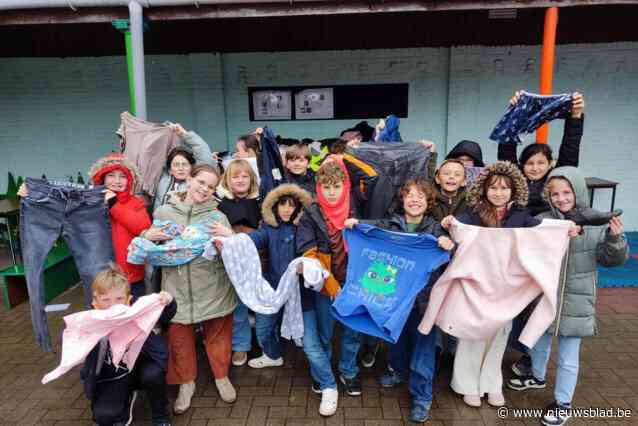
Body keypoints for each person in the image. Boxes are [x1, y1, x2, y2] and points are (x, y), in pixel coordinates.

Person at [440, 161, 578, 408]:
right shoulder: (471, 214)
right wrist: (450, 222)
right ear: (484, 189)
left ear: (514, 191)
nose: (499, 192)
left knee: (499, 337)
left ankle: (491, 383)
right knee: (473, 335)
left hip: (507, 289)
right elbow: (458, 231)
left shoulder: (521, 216)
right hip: (476, 286)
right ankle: (467, 384)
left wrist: (564, 228)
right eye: (493, 187)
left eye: (505, 188)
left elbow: (543, 230)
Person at [507, 166, 628, 426]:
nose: (561, 198)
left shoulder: (596, 224)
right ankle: (537, 376)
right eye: (555, 194)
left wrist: (616, 239)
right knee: (538, 341)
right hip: (545, 298)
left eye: (567, 192)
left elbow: (610, 260)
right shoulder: (542, 221)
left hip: (577, 301)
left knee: (567, 357)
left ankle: (563, 403)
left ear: (578, 192)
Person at [344, 179, 455, 423]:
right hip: (393, 301)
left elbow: (453, 254)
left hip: (423, 302)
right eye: (410, 195)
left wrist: (449, 245)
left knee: (423, 351)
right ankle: (398, 372)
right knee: (396, 342)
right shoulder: (391, 223)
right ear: (402, 200)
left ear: (428, 203)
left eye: (420, 197)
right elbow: (373, 230)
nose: (414, 200)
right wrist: (357, 224)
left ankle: (422, 397)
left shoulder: (435, 229)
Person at [498, 91, 585, 376]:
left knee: (540, 304)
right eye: (529, 163)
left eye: (540, 163)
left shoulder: (555, 184)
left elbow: (570, 149)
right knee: (516, 303)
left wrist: (575, 118)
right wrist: (512, 113)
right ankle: (517, 348)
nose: (534, 167)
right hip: (517, 254)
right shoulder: (516, 182)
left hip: (547, 257)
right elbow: (507, 149)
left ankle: (529, 357)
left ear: (550, 165)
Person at [149, 164, 238, 413]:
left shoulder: (217, 216)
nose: (204, 189)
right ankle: (186, 383)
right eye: (201, 182)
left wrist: (229, 237)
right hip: (176, 289)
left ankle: (222, 377)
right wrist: (148, 238)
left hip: (213, 287)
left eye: (211, 187)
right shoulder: (165, 212)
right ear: (189, 179)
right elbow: (152, 249)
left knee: (218, 336)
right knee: (179, 340)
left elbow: (230, 256)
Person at [212, 184, 313, 369]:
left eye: (292, 205)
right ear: (274, 206)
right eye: (283, 204)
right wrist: (230, 235)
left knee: (304, 333)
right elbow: (250, 240)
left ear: (299, 207)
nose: (287, 209)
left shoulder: (305, 229)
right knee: (263, 329)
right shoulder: (269, 229)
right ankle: (273, 355)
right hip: (272, 288)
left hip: (300, 291)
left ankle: (297, 352)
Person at [296, 159, 360, 416]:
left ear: (345, 186)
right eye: (326, 187)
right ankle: (322, 373)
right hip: (325, 284)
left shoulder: (357, 208)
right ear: (318, 188)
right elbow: (307, 251)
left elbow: (374, 177)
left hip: (354, 281)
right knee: (325, 332)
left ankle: (348, 371)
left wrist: (345, 157)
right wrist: (331, 285)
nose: (332, 192)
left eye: (336, 186)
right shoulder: (311, 213)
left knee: (352, 331)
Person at [81, 263, 176, 426]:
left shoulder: (137, 307)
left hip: (143, 365)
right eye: (106, 300)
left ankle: (161, 416)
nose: (114, 305)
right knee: (104, 417)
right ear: (95, 303)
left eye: (119, 299)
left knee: (153, 375)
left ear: (128, 299)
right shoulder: (89, 321)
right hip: (113, 374)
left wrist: (168, 300)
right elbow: (74, 348)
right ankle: (123, 401)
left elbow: (165, 315)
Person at [216, 159, 262, 367]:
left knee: (262, 307)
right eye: (235, 176)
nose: (241, 180)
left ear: (251, 178)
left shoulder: (262, 202)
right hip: (232, 264)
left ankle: (266, 346)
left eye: (245, 176)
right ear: (228, 180)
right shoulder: (220, 205)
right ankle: (241, 346)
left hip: (258, 262)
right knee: (239, 309)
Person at [88, 153, 152, 298]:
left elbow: (142, 227)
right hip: (100, 276)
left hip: (131, 276)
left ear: (129, 180)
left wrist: (114, 204)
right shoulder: (90, 203)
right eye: (111, 175)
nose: (117, 181)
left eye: (122, 176)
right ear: (102, 177)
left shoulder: (136, 202)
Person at [153, 123, 217, 212]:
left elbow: (204, 154)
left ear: (192, 167)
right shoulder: (161, 179)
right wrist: (161, 131)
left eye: (185, 164)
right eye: (176, 165)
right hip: (162, 223)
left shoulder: (196, 182)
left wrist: (184, 134)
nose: (181, 168)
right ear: (170, 170)